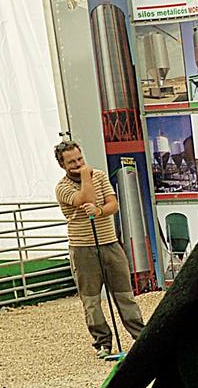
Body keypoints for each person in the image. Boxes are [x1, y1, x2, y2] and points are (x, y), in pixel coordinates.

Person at [53, 141, 145, 358]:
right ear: (62, 165)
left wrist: (99, 211)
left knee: (124, 294)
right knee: (91, 299)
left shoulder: (101, 176)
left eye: (80, 159)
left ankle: (141, 337)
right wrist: (85, 175)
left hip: (109, 243)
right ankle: (102, 342)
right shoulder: (62, 187)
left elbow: (113, 204)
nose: (78, 164)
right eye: (72, 162)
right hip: (82, 248)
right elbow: (84, 198)